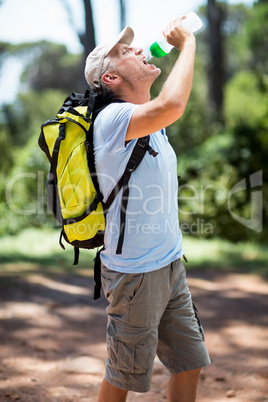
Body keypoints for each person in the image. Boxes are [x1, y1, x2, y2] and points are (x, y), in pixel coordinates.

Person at [84, 17, 210, 402]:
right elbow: (173, 104)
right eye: (125, 52)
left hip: (170, 264)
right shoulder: (111, 120)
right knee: (124, 375)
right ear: (110, 79)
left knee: (188, 363)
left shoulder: (149, 122)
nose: (139, 49)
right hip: (136, 274)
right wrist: (187, 44)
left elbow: (165, 107)